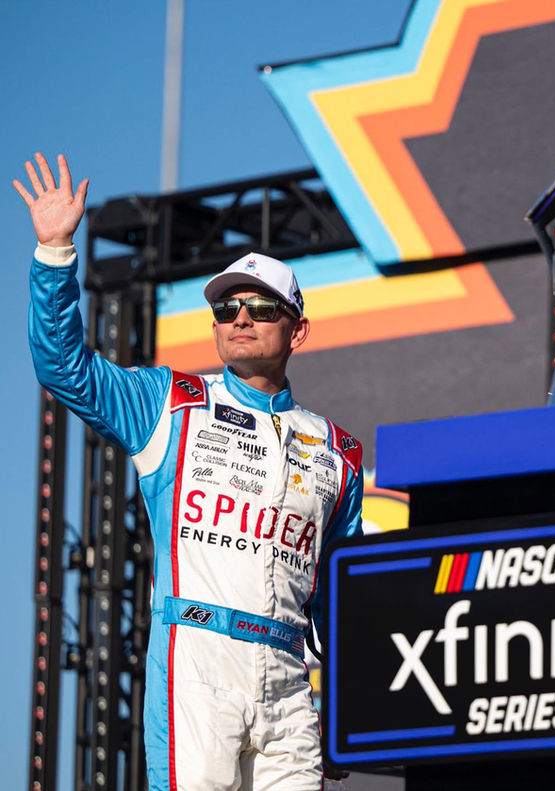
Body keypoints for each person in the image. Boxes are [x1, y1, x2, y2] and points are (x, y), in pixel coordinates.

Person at [16, 153, 363, 790]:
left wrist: (342, 709)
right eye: (226, 309)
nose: (239, 320)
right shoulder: (169, 402)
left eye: (260, 309)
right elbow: (64, 368)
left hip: (290, 679)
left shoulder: (337, 450)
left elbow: (342, 599)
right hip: (199, 661)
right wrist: (56, 251)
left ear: (298, 330)